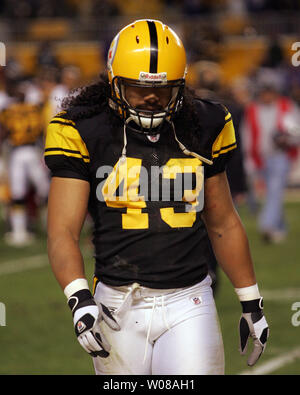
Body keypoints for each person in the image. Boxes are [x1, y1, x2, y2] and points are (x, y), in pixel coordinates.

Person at [45, 19, 269, 375]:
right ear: (114, 82)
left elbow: (223, 220)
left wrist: (251, 300)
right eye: (137, 89)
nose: (151, 98)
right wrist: (78, 297)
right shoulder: (82, 129)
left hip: (189, 298)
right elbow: (62, 230)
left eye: (163, 90)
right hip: (115, 305)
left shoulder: (203, 124)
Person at [241, 76, 299, 243]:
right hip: (261, 158)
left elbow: (296, 132)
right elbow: (247, 136)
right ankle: (280, 228)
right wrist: (249, 159)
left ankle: (266, 225)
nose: (266, 95)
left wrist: (285, 139)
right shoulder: (253, 109)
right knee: (273, 193)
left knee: (274, 190)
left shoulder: (286, 107)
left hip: (281, 156)